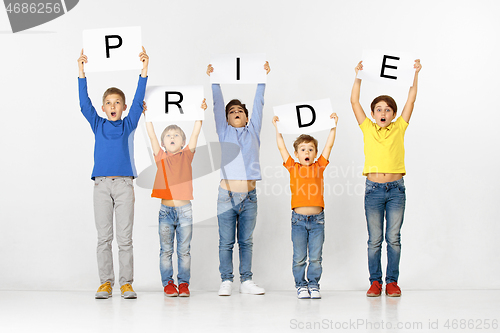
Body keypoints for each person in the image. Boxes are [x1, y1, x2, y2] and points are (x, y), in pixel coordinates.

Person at [77, 47, 149, 299]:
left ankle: (126, 283)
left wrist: (144, 70)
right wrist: (81, 72)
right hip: (101, 186)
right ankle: (105, 282)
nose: (113, 105)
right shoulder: (98, 124)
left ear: (124, 106)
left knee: (125, 238)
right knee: (104, 237)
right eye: (108, 103)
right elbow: (83, 104)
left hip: (124, 185)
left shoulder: (129, 124)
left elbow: (140, 101)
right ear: (103, 108)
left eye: (117, 102)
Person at [350, 59, 422, 297]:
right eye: (379, 109)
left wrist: (415, 74)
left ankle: (392, 282)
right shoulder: (367, 128)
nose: (383, 113)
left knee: (394, 238)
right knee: (374, 240)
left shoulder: (400, 127)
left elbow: (411, 99)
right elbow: (354, 101)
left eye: (388, 109)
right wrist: (358, 75)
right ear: (372, 114)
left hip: (396, 190)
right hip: (373, 190)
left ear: (393, 113)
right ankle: (375, 282)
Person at [206, 61, 270, 296]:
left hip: (249, 197)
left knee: (246, 241)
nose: (235, 113)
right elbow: (216, 105)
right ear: (226, 118)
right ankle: (226, 280)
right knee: (225, 242)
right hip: (227, 195)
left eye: (239, 111)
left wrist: (262, 77)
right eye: (231, 111)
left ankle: (246, 280)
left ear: (246, 117)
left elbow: (259, 103)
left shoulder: (253, 130)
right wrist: (214, 81)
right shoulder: (224, 131)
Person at [144, 99, 206, 297]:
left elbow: (196, 133)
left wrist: (199, 115)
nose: (172, 137)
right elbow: (151, 135)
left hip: (185, 211)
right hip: (166, 212)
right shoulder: (160, 156)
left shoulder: (187, 155)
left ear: (182, 141)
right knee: (166, 250)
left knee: (184, 250)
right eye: (169, 136)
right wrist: (148, 116)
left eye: (176, 135)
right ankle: (168, 283)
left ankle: (184, 284)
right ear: (163, 143)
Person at [272, 114, 338, 299]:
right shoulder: (293, 167)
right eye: (303, 149)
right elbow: (281, 146)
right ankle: (301, 285)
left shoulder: (319, 166)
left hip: (317, 221)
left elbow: (329, 146)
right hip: (299, 221)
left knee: (315, 257)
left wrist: (333, 126)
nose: (307, 153)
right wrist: (278, 128)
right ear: (296, 154)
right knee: (299, 257)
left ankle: (314, 284)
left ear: (315, 153)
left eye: (310, 149)